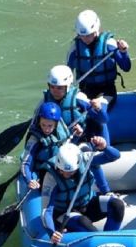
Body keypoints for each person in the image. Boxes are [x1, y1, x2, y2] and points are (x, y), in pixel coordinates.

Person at [41, 64, 116, 193]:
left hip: (80, 140)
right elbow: (36, 125)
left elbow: (103, 120)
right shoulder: (45, 99)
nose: (55, 91)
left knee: (90, 161)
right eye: (52, 87)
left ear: (68, 86)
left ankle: (106, 191)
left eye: (59, 88)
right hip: (58, 141)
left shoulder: (79, 99)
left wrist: (98, 108)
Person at [43, 140, 126, 244]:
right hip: (65, 214)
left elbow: (115, 156)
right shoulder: (51, 177)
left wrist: (105, 147)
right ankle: (103, 244)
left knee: (117, 205)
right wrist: (52, 232)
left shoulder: (86, 158)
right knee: (83, 222)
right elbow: (47, 210)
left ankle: (112, 240)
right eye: (62, 171)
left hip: (87, 205)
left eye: (70, 172)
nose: (65, 174)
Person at [66, 9, 131, 109]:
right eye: (81, 36)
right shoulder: (75, 48)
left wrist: (123, 52)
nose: (85, 39)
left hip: (106, 91)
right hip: (85, 90)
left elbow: (126, 67)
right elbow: (68, 73)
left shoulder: (109, 44)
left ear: (96, 30)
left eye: (88, 35)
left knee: (98, 107)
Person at [20, 102, 78, 190]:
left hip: (59, 166)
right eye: (43, 125)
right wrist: (29, 180)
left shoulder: (61, 131)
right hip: (42, 170)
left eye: (50, 126)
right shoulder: (34, 140)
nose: (46, 129)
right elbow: (26, 164)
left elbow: (68, 147)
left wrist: (77, 136)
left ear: (56, 124)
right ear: (39, 122)